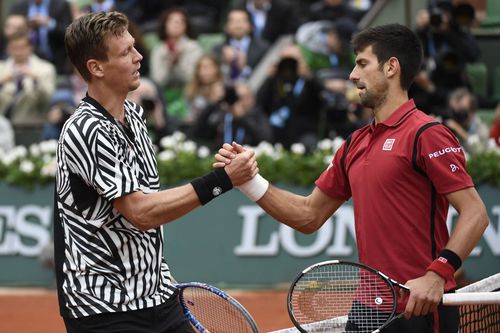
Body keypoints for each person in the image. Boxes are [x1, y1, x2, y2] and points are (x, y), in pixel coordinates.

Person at [215, 23, 489, 333]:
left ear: (391, 67)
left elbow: (475, 212)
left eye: (361, 63)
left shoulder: (427, 134)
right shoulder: (355, 144)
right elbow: (308, 215)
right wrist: (249, 181)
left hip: (417, 310)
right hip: (366, 309)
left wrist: (437, 274)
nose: (352, 75)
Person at [54, 11, 257, 333]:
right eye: (126, 53)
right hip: (104, 310)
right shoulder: (86, 129)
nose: (139, 57)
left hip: (158, 298)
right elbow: (141, 212)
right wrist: (221, 180)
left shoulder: (134, 116)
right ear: (96, 68)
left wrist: (161, 277)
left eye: (135, 47)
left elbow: (147, 205)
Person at [0, 32, 56, 125]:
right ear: (8, 49)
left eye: (22, 48)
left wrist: (36, 80)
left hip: (32, 125)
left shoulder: (46, 68)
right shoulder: (1, 68)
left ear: (30, 48)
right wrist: (2, 82)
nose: (18, 52)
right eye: (14, 48)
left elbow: (49, 100)